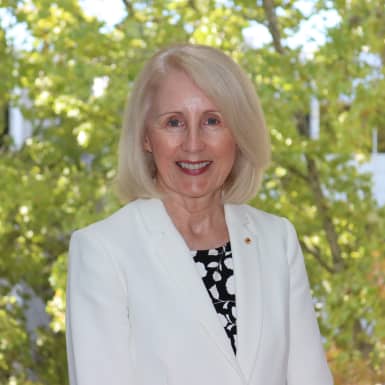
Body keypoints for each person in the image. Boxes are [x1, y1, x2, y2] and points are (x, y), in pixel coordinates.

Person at [65, 43, 333, 385]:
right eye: (174, 122)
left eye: (212, 120)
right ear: (146, 137)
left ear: (238, 133)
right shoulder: (103, 250)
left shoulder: (277, 239)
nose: (194, 144)